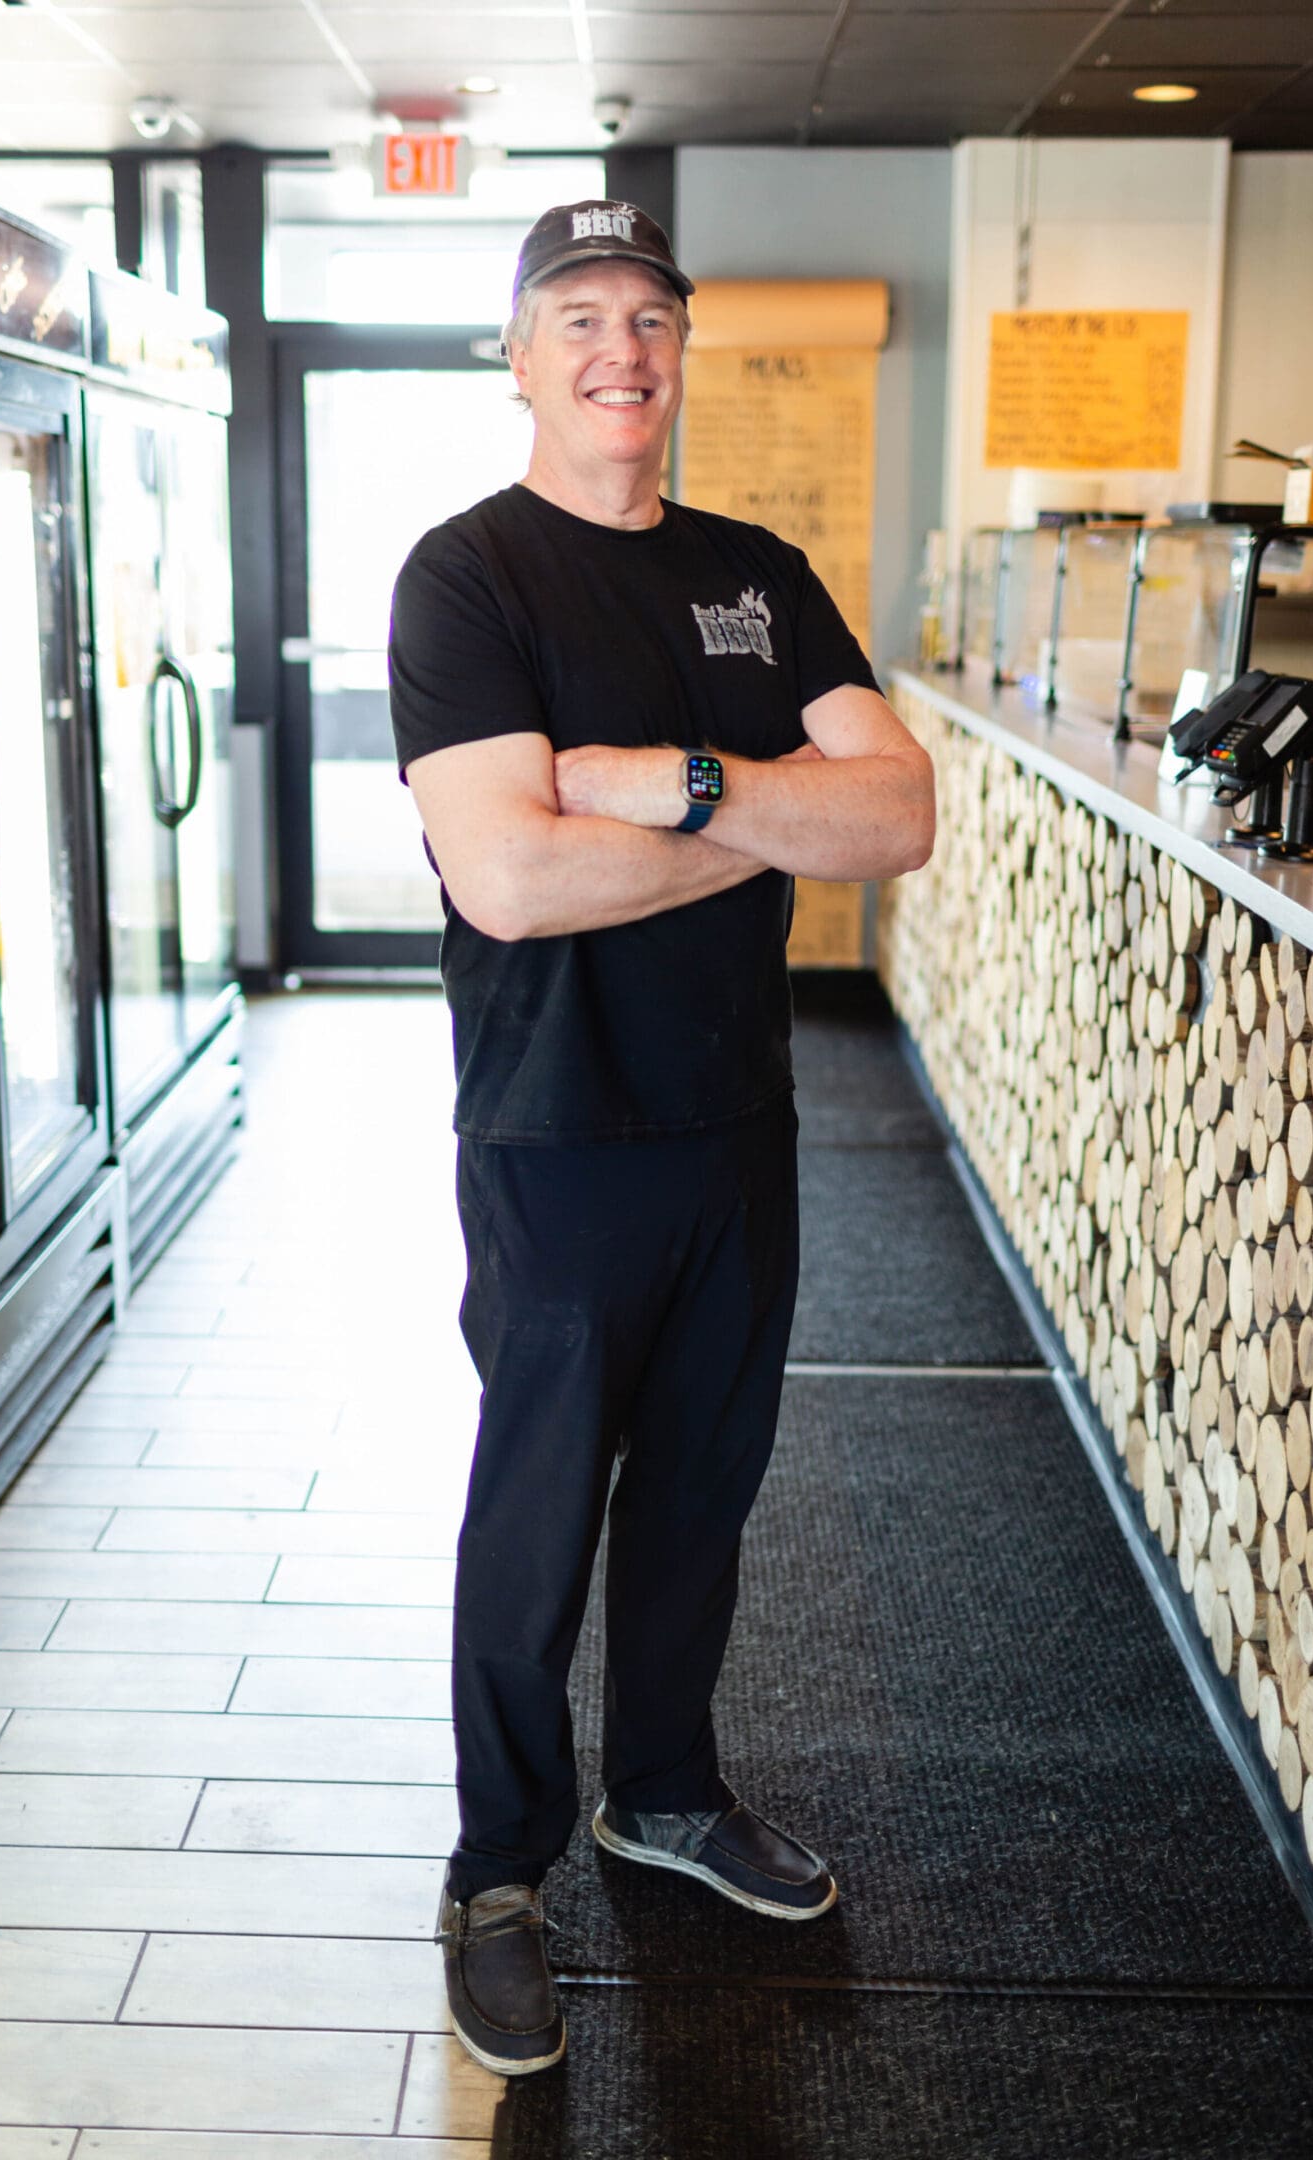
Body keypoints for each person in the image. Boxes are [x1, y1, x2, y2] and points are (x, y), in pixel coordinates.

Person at [388, 199, 935, 2077]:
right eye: (579, 318)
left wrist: (686, 781)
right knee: (537, 1516)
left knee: (704, 1492)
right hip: (553, 1132)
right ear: (521, 359)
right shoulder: (469, 580)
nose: (621, 350)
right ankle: (496, 1871)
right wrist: (776, 815)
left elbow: (905, 819)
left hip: (737, 1121)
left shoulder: (755, 576)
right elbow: (516, 877)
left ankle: (669, 1797)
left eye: (649, 318)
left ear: (680, 351)